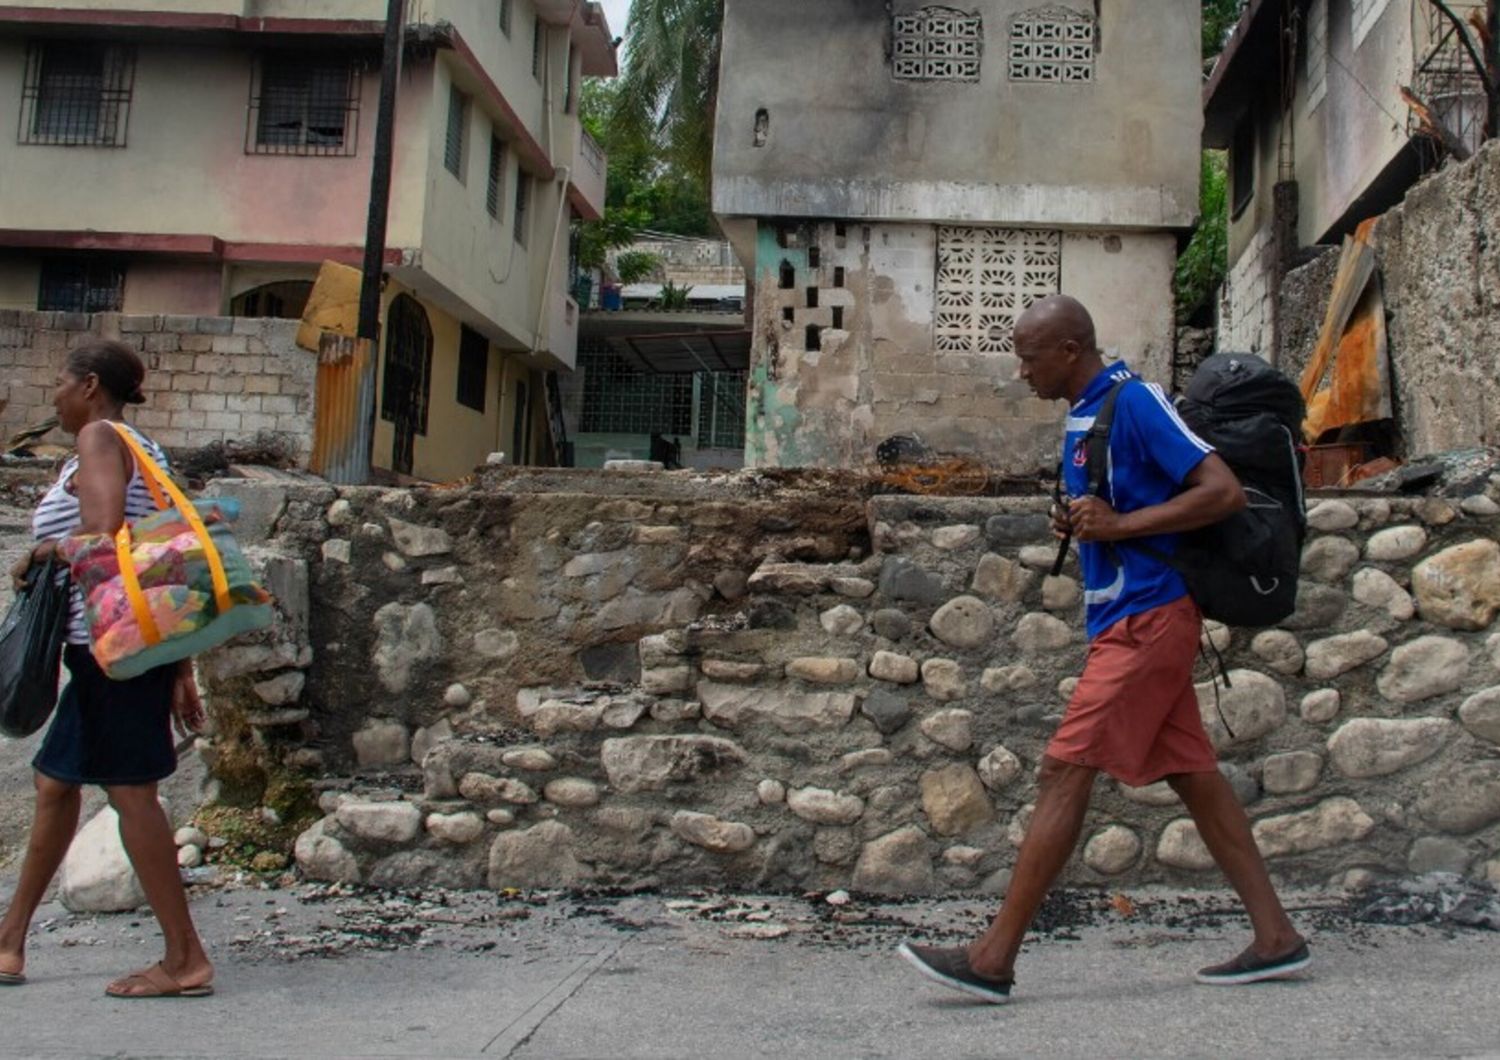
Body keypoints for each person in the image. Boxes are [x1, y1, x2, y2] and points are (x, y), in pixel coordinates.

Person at [899, 295, 1307, 1003]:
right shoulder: (1084, 416)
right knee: (1194, 776)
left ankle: (993, 958)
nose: (1020, 371)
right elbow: (1112, 512)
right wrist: (1083, 518)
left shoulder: (1137, 400)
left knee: (1064, 769)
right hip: (1123, 618)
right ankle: (1277, 938)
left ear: (1070, 349)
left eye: (1029, 356)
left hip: (1149, 620)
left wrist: (1120, 526)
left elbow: (1224, 492)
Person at [0, 338, 214, 999]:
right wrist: (179, 669)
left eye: (60, 384)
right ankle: (9, 941)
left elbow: (104, 533)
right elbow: (163, 559)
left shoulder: (98, 437)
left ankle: (185, 958)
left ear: (90, 385)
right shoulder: (146, 451)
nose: (54, 397)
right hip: (125, 649)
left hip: (108, 649)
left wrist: (39, 553)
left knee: (131, 794)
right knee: (55, 786)